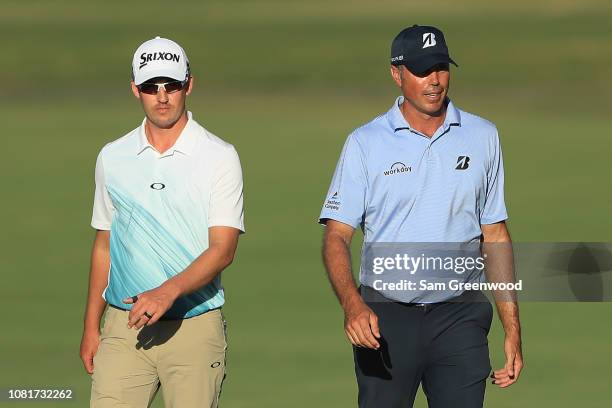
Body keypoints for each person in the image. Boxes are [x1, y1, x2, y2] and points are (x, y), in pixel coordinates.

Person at [319, 25, 523, 407]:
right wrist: (352, 304)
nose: (434, 80)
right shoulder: (365, 143)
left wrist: (512, 328)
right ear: (396, 74)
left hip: (461, 318)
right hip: (385, 319)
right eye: (421, 69)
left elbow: (494, 234)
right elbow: (337, 236)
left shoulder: (483, 136)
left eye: (441, 67)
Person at [79, 36, 245, 408]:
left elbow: (223, 249)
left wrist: (167, 292)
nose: (163, 96)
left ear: (189, 84)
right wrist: (92, 326)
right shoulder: (113, 156)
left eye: (171, 85)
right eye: (152, 87)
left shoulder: (219, 156)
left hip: (194, 329)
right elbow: (104, 244)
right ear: (135, 89)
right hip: (123, 330)